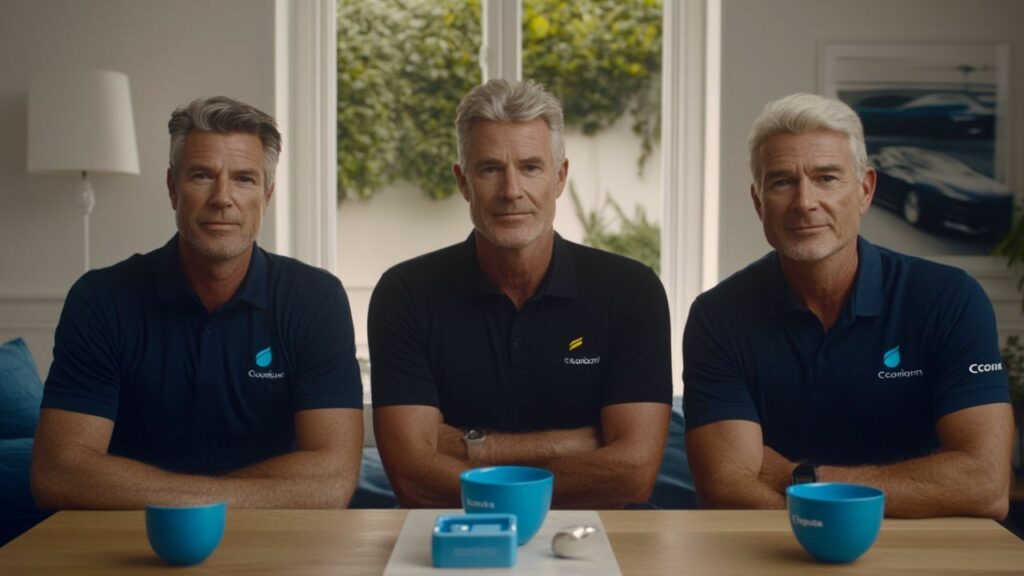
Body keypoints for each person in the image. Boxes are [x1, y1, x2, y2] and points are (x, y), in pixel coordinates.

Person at [683, 93, 1013, 519]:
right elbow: (725, 487)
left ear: (865, 190)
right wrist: (827, 533)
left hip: (927, 552)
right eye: (782, 181)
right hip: (777, 553)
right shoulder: (718, 315)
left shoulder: (948, 298)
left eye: (827, 178)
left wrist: (805, 477)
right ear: (757, 201)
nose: (805, 202)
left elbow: (984, 485)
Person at [32, 96, 364, 509]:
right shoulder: (101, 299)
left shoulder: (315, 299)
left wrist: (169, 494)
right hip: (127, 543)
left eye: (244, 179)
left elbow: (331, 481)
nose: (222, 197)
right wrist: (243, 494)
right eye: (202, 175)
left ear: (267, 196)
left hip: (274, 540)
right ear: (173, 188)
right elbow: (59, 473)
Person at [369, 79, 672, 509]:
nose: (512, 191)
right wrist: (578, 444)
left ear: (560, 177)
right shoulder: (405, 294)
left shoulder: (631, 291)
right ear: (462, 181)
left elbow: (632, 475)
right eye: (490, 168)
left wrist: (475, 446)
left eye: (531, 167)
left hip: (602, 536)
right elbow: (413, 477)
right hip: (453, 536)